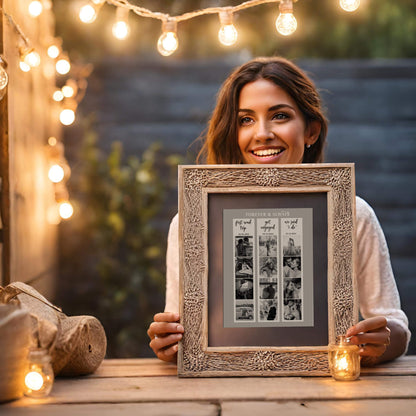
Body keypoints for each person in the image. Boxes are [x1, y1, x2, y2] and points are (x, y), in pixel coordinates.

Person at [147, 56, 411, 365]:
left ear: (311, 131)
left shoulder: (352, 213)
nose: (261, 133)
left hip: (327, 395)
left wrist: (383, 338)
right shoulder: (192, 221)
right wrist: (170, 341)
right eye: (245, 120)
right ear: (233, 132)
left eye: (280, 116)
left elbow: (395, 327)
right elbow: (180, 330)